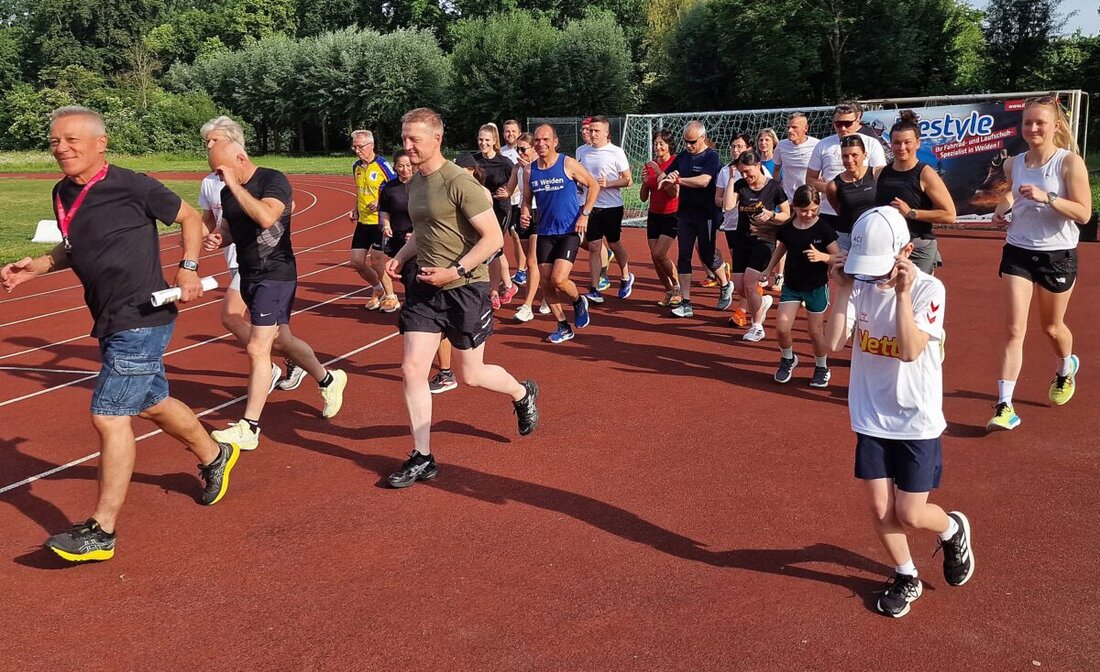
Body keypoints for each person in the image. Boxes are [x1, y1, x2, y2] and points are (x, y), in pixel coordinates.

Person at [0, 106, 240, 562]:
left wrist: (189, 267)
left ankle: (102, 530)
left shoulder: (134, 185)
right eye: (54, 141)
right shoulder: (62, 192)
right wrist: (36, 268)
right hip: (109, 317)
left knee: (110, 416)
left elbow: (190, 218)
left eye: (71, 140)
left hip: (143, 315)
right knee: (152, 404)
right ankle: (215, 454)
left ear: (100, 143)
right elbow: (75, 246)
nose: (61, 148)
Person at [825, 206, 974, 618]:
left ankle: (951, 529)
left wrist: (903, 294)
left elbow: (909, 351)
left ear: (906, 252)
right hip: (870, 413)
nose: (873, 277)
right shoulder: (859, 284)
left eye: (880, 267)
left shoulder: (929, 290)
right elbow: (832, 343)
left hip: (915, 419)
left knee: (909, 514)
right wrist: (842, 291)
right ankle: (906, 574)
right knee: (879, 508)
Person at [385, 107, 539, 489]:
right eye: (404, 139)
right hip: (425, 288)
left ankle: (522, 393)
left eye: (414, 139)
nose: (407, 146)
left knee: (472, 374)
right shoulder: (415, 183)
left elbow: (493, 238)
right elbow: (424, 231)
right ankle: (422, 456)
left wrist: (454, 271)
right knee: (412, 369)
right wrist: (400, 257)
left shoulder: (459, 181)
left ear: (437, 139)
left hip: (464, 288)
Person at [203, 141, 348, 452]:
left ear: (240, 158)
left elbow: (267, 217)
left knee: (258, 347)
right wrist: (218, 237)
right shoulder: (228, 192)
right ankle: (328, 379)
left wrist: (233, 186)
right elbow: (229, 228)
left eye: (221, 170)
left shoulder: (272, 180)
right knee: (283, 341)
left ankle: (249, 427)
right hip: (249, 274)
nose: (217, 178)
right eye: (215, 173)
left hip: (276, 273)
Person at [987, 95, 1092, 431]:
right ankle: (1004, 406)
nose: (1032, 128)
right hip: (1018, 250)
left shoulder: (1068, 163)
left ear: (1054, 126)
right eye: (1027, 123)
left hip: (1057, 255)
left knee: (1051, 327)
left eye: (1039, 123)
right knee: (1014, 329)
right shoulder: (1014, 163)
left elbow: (1084, 214)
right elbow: (1011, 193)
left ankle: (1065, 366)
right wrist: (1001, 211)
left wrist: (1048, 197)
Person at [199, 117, 294, 393]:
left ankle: (263, 382)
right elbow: (212, 221)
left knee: (241, 328)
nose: (209, 146)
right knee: (280, 336)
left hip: (269, 265)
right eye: (207, 142)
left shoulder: (266, 178)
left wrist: (235, 185)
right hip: (238, 261)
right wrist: (210, 238)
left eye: (214, 140)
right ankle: (322, 375)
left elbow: (270, 215)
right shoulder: (212, 183)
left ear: (234, 146)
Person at [523, 123, 598, 343]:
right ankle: (563, 325)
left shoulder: (567, 163)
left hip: (569, 230)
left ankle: (578, 300)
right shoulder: (529, 170)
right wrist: (525, 213)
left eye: (546, 139)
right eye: (537, 140)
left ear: (555, 142)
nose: (541, 143)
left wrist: (585, 214)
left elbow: (593, 185)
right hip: (545, 232)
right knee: (546, 282)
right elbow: (526, 200)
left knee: (558, 279)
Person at [761, 185, 840, 386]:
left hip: (816, 287)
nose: (809, 214)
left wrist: (822, 257)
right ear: (794, 207)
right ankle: (788, 359)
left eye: (814, 210)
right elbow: (782, 247)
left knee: (815, 332)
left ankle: (821, 366)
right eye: (804, 210)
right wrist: (769, 269)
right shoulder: (788, 227)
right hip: (792, 286)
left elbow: (838, 257)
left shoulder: (824, 229)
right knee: (781, 328)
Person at [660, 121, 733, 318]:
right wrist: (665, 178)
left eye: (692, 142)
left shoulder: (711, 156)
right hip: (685, 213)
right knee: (684, 255)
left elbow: (704, 181)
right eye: (685, 141)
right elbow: (666, 176)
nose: (688, 145)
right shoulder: (682, 157)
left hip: (707, 214)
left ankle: (725, 284)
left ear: (702, 138)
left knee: (707, 255)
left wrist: (678, 180)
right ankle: (686, 302)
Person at [875, 110, 957, 274]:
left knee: (913, 290)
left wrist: (911, 213)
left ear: (917, 143)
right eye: (896, 142)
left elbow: (950, 215)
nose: (902, 147)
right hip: (887, 248)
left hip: (918, 248)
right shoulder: (880, 173)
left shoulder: (925, 173)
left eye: (907, 142)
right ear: (890, 144)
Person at [722, 150, 790, 342]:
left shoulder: (774, 187)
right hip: (742, 240)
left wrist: (771, 215)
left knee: (750, 285)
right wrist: (732, 178)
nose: (746, 176)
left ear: (758, 166)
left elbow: (786, 214)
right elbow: (728, 206)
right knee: (740, 288)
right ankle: (763, 302)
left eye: (748, 171)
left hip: (764, 241)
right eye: (742, 172)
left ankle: (757, 326)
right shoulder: (740, 185)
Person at [806, 101, 888, 253]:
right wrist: (835, 189)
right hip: (829, 212)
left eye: (847, 123)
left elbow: (880, 178)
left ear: (858, 119)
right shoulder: (823, 145)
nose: (843, 128)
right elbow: (810, 180)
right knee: (832, 261)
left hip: (865, 213)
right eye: (838, 124)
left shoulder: (871, 144)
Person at [578, 115, 634, 303]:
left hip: (611, 206)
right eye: (590, 130)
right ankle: (595, 288)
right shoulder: (581, 151)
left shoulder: (616, 152)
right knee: (594, 246)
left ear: (606, 133)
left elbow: (628, 180)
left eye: (596, 131)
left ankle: (625, 276)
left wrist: (608, 183)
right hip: (590, 206)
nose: (592, 134)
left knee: (614, 243)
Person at [717, 134, 771, 326]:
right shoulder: (726, 171)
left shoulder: (760, 171)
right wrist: (732, 193)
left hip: (756, 230)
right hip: (732, 225)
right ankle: (756, 302)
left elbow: (769, 195)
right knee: (740, 275)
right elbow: (720, 200)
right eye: (733, 146)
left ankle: (744, 311)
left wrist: (759, 210)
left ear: (748, 148)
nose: (735, 150)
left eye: (739, 146)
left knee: (750, 275)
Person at [348, 130, 398, 311]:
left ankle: (391, 296)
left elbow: (395, 187)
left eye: (360, 147)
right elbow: (359, 190)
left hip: (379, 221)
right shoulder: (356, 166)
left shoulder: (382, 165)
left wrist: (379, 202)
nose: (357, 150)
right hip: (363, 221)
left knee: (377, 262)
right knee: (356, 262)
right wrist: (355, 208)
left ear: (371, 145)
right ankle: (378, 289)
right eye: (354, 147)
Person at [474, 123, 520, 309]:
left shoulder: (504, 162)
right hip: (480, 208)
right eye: (480, 139)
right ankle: (507, 285)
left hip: (500, 208)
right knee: (493, 249)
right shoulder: (474, 160)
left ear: (494, 141)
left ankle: (494, 291)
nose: (483, 143)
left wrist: (509, 192)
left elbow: (519, 180)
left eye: (487, 140)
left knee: (493, 248)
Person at [505, 133, 545, 323]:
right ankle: (547, 295)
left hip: (539, 213)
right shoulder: (517, 168)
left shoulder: (541, 167)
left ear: (534, 149)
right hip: (523, 213)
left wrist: (529, 169)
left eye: (523, 149)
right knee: (533, 263)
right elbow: (509, 190)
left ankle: (528, 305)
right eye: (517, 149)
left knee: (532, 261)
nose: (519, 153)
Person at [640, 129, 681, 307]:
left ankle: (678, 287)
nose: (657, 147)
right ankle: (668, 290)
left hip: (671, 214)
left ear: (669, 145)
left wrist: (659, 173)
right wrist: (644, 183)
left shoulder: (675, 163)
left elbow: (673, 193)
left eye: (661, 144)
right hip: (654, 215)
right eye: (656, 144)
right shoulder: (649, 165)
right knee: (654, 257)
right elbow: (643, 197)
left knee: (659, 253)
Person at [825, 135, 877, 251]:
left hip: (876, 235)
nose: (849, 160)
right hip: (848, 238)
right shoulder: (833, 186)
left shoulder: (876, 175)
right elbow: (838, 209)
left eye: (854, 155)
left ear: (865, 155)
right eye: (845, 156)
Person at [501, 119, 529, 285]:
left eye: (513, 131)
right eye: (507, 131)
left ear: (519, 132)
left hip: (521, 202)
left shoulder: (525, 151)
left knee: (518, 235)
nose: (510, 134)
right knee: (511, 235)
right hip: (506, 202)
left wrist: (512, 190)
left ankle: (522, 270)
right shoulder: (501, 152)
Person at [774, 112, 820, 201]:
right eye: (788, 127)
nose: (790, 131)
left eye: (794, 127)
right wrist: (775, 187)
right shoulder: (781, 145)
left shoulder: (817, 145)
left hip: (811, 198)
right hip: (789, 198)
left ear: (805, 128)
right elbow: (776, 169)